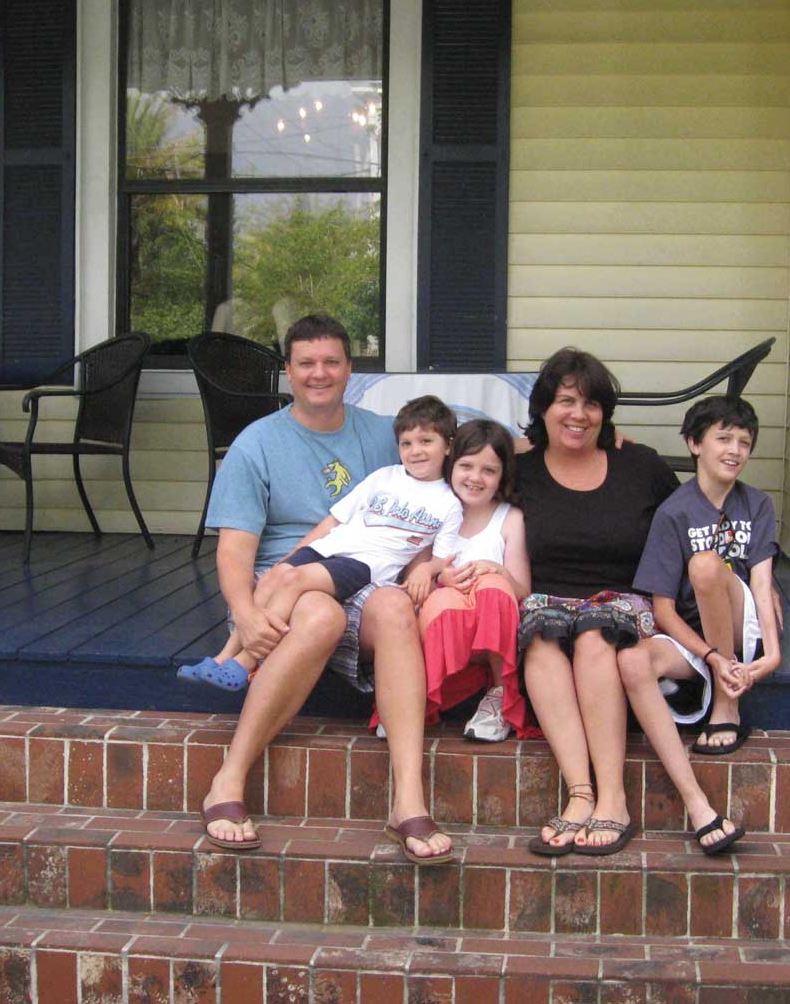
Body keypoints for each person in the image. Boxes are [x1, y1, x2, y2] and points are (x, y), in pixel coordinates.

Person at [194, 314, 454, 865]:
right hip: (288, 581)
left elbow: (465, 444)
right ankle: (229, 778)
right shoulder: (256, 444)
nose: (320, 373)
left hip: (364, 577)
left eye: (331, 362)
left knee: (394, 604)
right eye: (306, 363)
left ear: (349, 370)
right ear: (287, 371)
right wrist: (243, 613)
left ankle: (407, 799)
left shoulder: (383, 434)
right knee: (320, 615)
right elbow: (234, 550)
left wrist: (574, 440)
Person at [177, 396, 462, 692]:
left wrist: (425, 570)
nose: (415, 451)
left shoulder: (448, 502)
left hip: (365, 564)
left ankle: (246, 662)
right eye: (406, 443)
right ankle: (222, 658)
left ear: (449, 444)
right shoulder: (384, 477)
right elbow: (333, 521)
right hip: (331, 546)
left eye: (426, 441)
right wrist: (292, 555)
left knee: (294, 580)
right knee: (273, 578)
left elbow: (442, 557)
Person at [516, 347, 680, 856]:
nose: (578, 415)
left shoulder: (640, 465)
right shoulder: (516, 468)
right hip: (547, 600)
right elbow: (453, 475)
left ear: (605, 414)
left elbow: (686, 527)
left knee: (593, 633)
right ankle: (579, 794)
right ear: (543, 407)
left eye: (591, 405)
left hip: (622, 601)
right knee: (541, 634)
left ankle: (614, 798)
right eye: (565, 401)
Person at [626, 395, 781, 758]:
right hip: (696, 640)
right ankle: (680, 718)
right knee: (632, 660)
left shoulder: (758, 504)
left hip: (742, 625)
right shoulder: (673, 513)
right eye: (724, 439)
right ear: (695, 444)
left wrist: (773, 654)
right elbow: (663, 611)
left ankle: (726, 704)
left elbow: (762, 584)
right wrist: (711, 657)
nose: (735, 451)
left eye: (744, 443)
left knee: (706, 565)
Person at [372, 420, 533, 742]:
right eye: (466, 466)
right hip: (444, 626)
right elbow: (413, 575)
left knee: (493, 587)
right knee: (440, 597)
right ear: (451, 465)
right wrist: (430, 570)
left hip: (492, 634)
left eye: (489, 470)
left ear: (502, 476)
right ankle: (409, 701)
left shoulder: (509, 519)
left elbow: (522, 590)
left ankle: (499, 696)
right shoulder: (434, 509)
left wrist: (497, 571)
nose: (475, 477)